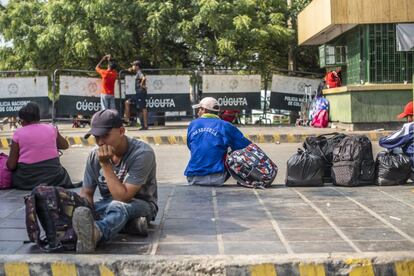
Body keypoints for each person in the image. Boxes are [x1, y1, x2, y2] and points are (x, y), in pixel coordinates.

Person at [73, 109, 157, 253]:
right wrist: (87, 208)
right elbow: (86, 192)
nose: (100, 142)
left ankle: (96, 233)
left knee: (118, 206)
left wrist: (106, 164)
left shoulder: (142, 154)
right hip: (108, 204)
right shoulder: (94, 155)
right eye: (96, 137)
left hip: (142, 204)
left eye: (105, 136)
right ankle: (131, 225)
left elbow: (122, 197)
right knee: (79, 210)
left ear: (121, 131)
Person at [6, 102, 81, 190]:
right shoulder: (51, 128)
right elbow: (65, 145)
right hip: (55, 179)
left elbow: (11, 165)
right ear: (38, 117)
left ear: (23, 121)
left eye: (20, 121)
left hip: (27, 181)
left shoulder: (18, 133)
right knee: (60, 170)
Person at [184, 97, 251, 186]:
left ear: (203, 110)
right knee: (233, 152)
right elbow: (246, 146)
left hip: (192, 178)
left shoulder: (193, 124)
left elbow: (190, 146)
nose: (198, 112)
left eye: (199, 109)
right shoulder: (225, 125)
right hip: (217, 178)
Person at [379, 100, 414, 180]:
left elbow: (387, 141)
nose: (408, 120)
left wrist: (382, 139)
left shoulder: (410, 127)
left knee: (393, 148)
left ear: (412, 117)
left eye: (407, 117)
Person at [124, 60, 148, 130]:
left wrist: (142, 84)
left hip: (140, 92)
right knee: (128, 103)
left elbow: (144, 78)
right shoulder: (138, 72)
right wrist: (130, 69)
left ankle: (145, 125)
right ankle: (128, 120)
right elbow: (132, 70)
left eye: (133, 65)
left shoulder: (139, 72)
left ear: (137, 66)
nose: (132, 66)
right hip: (139, 93)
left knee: (143, 108)